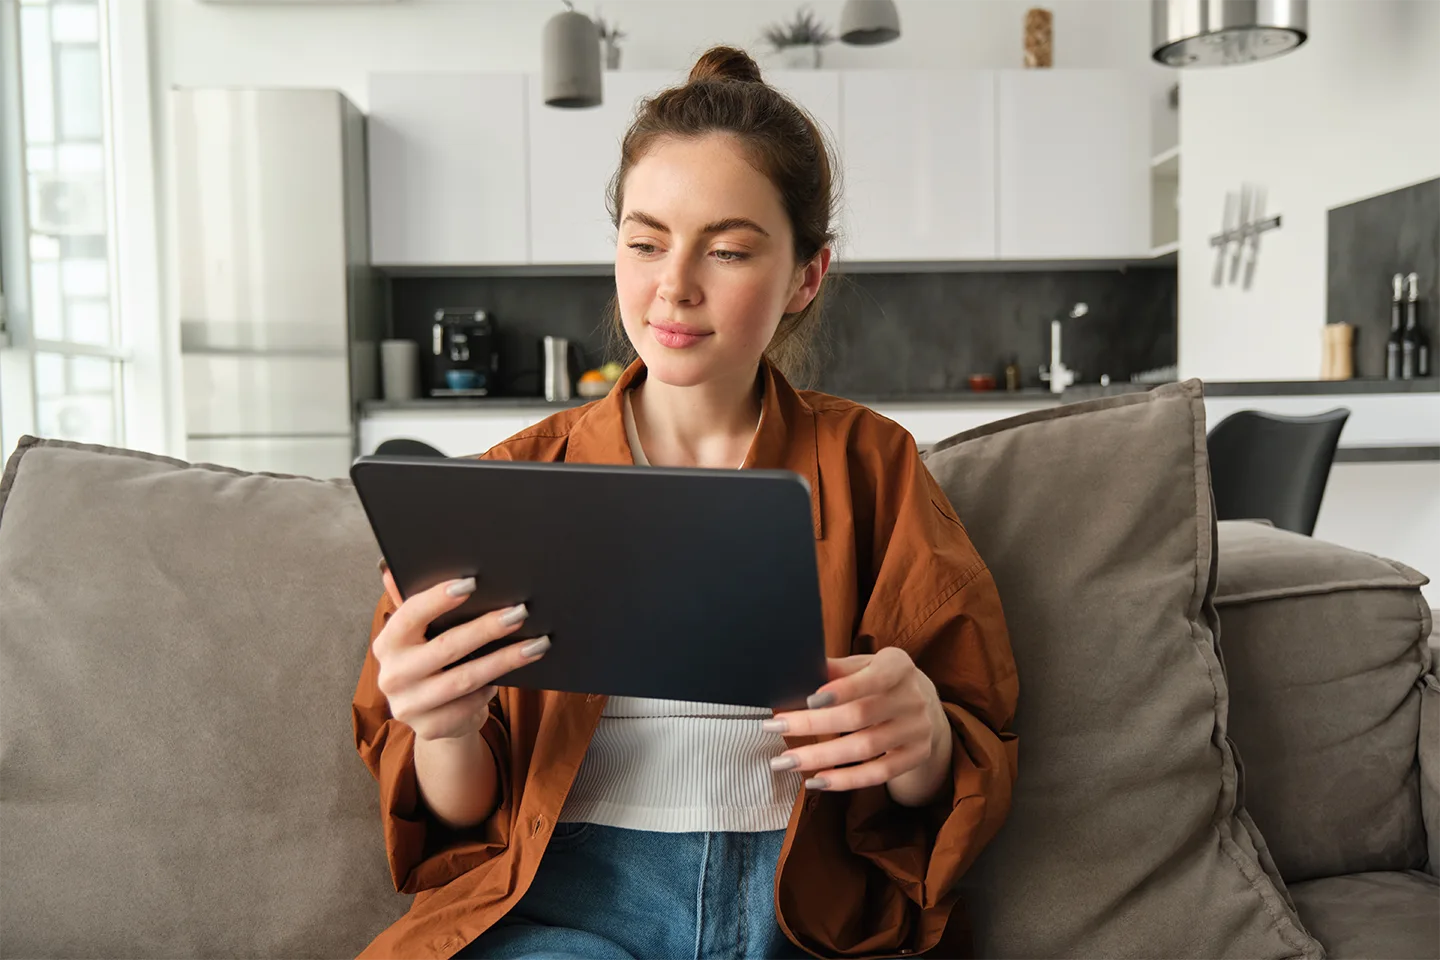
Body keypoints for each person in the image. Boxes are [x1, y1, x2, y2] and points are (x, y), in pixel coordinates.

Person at [352, 45, 1018, 960]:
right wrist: (442, 727)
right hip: (568, 907)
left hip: (800, 913)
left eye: (731, 249)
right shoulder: (520, 476)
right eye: (645, 240)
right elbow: (459, 816)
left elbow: (962, 762)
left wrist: (927, 739)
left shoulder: (874, 465)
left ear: (805, 277)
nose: (675, 285)